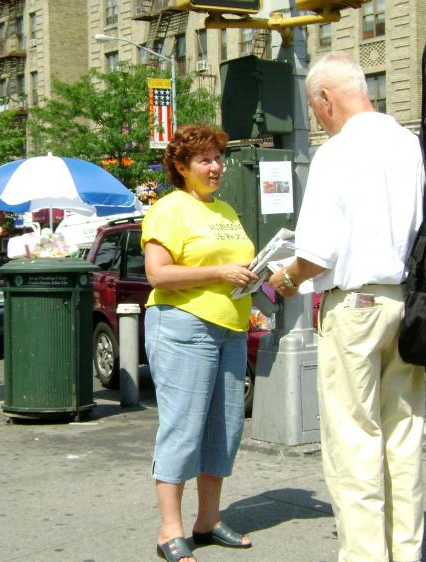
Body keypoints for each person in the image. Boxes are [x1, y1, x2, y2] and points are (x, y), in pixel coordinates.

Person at [269, 53, 426, 562]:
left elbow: (316, 253)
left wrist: (285, 277)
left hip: (353, 308)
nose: (318, 118)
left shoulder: (336, 153)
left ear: (326, 99)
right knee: (402, 434)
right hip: (406, 301)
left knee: (353, 440)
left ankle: (364, 555)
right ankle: (406, 551)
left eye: (316, 109)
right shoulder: (409, 145)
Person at [142, 124, 257, 562]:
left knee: (225, 429)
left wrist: (262, 278)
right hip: (183, 327)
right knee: (184, 427)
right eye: (205, 160)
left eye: (218, 158)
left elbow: (238, 263)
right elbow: (158, 274)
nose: (216, 167)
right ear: (181, 167)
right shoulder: (169, 210)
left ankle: (207, 520)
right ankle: (169, 530)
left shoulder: (226, 210)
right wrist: (220, 274)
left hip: (231, 327)